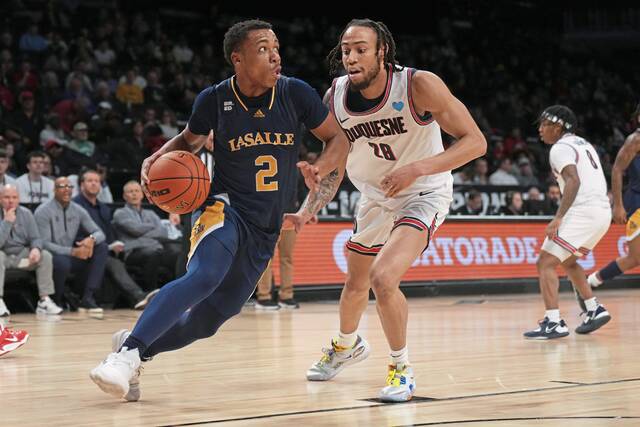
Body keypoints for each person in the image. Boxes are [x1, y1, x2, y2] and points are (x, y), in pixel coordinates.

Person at [89, 19, 349, 401]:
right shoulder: (214, 99)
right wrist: (159, 156)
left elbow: (338, 139)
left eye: (276, 46)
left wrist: (320, 169)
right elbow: (189, 141)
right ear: (238, 59)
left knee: (210, 320)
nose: (275, 54)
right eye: (263, 48)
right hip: (224, 208)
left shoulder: (296, 94)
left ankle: (135, 348)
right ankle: (124, 357)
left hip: (267, 226)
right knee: (205, 275)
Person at [294, 19, 486, 402]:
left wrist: (419, 167)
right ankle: (346, 345)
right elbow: (337, 155)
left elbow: (475, 142)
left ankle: (401, 370)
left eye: (361, 49)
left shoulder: (418, 86)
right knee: (354, 285)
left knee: (384, 278)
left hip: (423, 192)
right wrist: (310, 199)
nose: (351, 57)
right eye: (346, 50)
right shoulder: (335, 96)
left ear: (382, 51)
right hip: (375, 198)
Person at [523, 105, 611, 340]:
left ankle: (554, 322)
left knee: (545, 263)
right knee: (569, 262)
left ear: (558, 126)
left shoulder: (560, 148)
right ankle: (594, 309)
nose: (540, 129)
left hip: (582, 211)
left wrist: (558, 217)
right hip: (602, 212)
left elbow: (573, 180)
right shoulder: (583, 143)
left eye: (544, 124)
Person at [73, 170, 158, 310]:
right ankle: (139, 296)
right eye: (90, 181)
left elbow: (109, 233)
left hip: (105, 250)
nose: (94, 184)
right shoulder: (76, 206)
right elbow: (75, 234)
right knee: (113, 263)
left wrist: (114, 244)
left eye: (97, 181)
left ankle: (148, 295)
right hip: (84, 249)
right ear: (81, 185)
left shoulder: (104, 208)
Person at [34, 176, 108, 313]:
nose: (67, 190)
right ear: (54, 190)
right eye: (62, 187)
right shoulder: (43, 211)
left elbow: (100, 233)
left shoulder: (78, 209)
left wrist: (91, 239)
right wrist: (72, 251)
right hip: (52, 256)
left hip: (73, 255)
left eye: (69, 187)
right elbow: (43, 243)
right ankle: (56, 300)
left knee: (102, 247)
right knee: (62, 262)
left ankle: (88, 298)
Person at [587, 102, 640, 289]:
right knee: (635, 257)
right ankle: (591, 281)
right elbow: (617, 169)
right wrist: (618, 205)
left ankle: (592, 280)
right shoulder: (635, 140)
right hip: (637, 202)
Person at [0, 184, 62, 317]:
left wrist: (36, 249)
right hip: (3, 257)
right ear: (0, 199)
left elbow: (36, 238)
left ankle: (44, 300)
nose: (11, 201)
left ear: (18, 199)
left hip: (20, 258)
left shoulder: (26, 214)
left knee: (45, 256)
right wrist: (6, 223)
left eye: (14, 197)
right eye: (6, 197)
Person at [112, 181, 180, 291]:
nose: (134, 194)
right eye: (130, 191)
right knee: (153, 254)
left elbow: (162, 232)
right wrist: (153, 226)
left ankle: (175, 291)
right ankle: (150, 291)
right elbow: (135, 230)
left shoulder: (150, 213)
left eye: (137, 191)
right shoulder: (120, 213)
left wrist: (143, 232)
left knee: (176, 254)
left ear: (142, 194)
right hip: (133, 251)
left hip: (156, 248)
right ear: (124, 196)